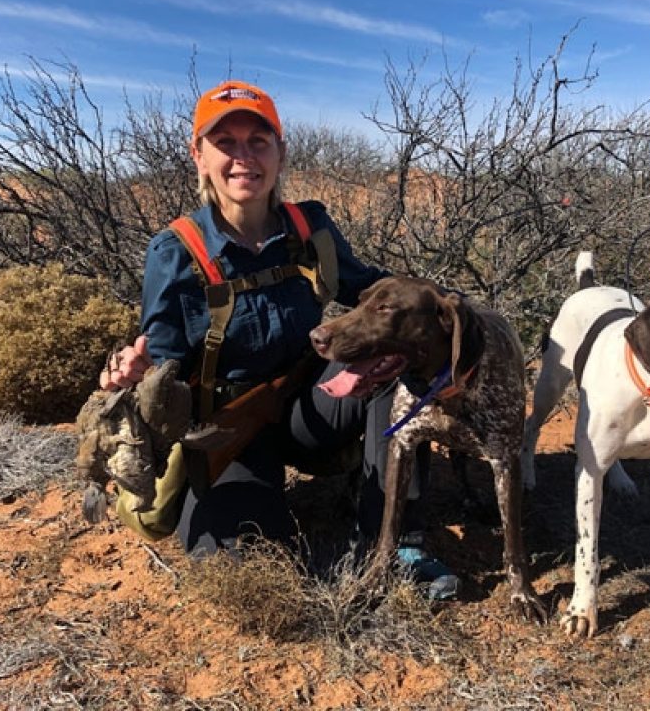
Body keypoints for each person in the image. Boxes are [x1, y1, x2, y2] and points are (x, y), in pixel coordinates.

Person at [100, 79, 457, 599]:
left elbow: (371, 289)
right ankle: (255, 500)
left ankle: (395, 538)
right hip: (228, 429)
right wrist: (136, 375)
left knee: (390, 359)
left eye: (258, 141)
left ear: (281, 152)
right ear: (198, 156)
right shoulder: (175, 251)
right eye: (226, 143)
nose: (244, 158)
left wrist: (450, 305)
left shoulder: (309, 227)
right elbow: (165, 361)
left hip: (308, 405)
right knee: (240, 568)